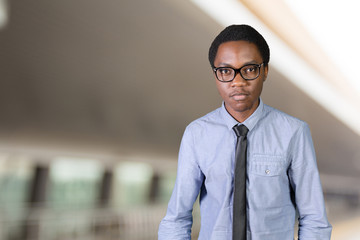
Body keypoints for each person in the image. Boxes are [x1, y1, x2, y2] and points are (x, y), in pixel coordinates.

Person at [158, 24, 332, 239]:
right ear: (215, 75)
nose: (237, 82)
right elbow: (177, 218)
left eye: (249, 69)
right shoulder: (197, 134)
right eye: (225, 71)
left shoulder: (294, 132)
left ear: (265, 71)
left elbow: (314, 219)